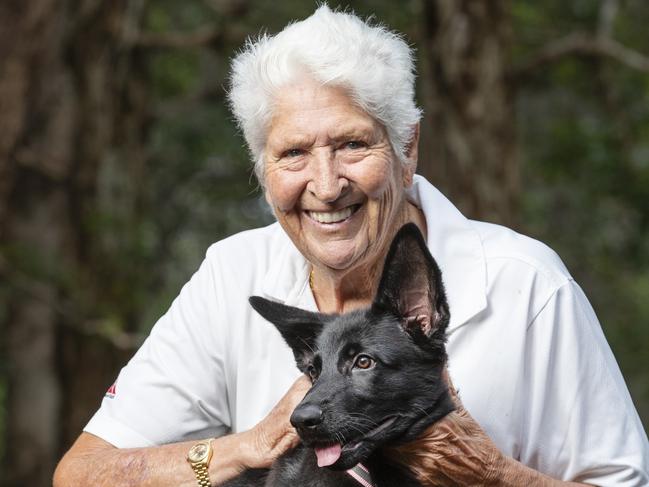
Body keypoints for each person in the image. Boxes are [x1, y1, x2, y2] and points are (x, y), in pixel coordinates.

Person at [54, 6, 649, 486]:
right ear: (262, 169)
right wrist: (246, 449)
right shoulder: (231, 274)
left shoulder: (528, 286)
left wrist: (494, 476)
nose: (326, 184)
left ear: (408, 147)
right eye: (292, 154)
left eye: (352, 145)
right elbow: (81, 475)